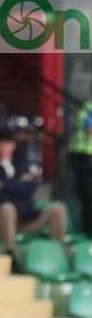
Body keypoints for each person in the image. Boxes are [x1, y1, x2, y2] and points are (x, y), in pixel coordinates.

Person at [0, 128, 66, 262]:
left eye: (7, 144)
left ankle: (59, 253)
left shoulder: (21, 163)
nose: (3, 148)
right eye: (0, 144)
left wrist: (4, 185)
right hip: (0, 218)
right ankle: (10, 254)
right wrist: (18, 185)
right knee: (7, 208)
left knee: (57, 209)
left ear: (13, 146)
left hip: (27, 216)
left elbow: (31, 187)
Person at [73, 100, 92, 236]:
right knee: (87, 196)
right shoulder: (88, 108)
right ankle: (88, 233)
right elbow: (89, 129)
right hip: (85, 156)